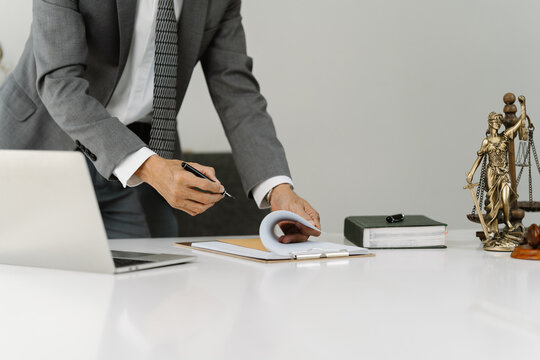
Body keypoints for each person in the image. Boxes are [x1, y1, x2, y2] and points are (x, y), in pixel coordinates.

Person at [0, 0, 320, 242]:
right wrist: (151, 167)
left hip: (144, 154)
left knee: (149, 296)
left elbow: (236, 91)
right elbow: (59, 84)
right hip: (44, 142)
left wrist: (277, 188)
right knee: (35, 297)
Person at [466, 96, 526, 238]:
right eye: (495, 121)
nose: (498, 123)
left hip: (504, 173)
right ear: (490, 123)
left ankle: (507, 221)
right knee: (492, 201)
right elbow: (480, 158)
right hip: (491, 172)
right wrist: (471, 173)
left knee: (505, 199)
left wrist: (523, 106)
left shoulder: (505, 137)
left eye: (499, 121)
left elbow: (520, 122)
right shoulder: (486, 141)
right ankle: (493, 230)